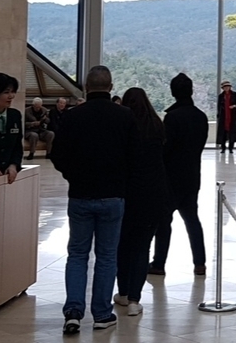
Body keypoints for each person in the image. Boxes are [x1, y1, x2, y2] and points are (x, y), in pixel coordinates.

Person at [48, 66, 137, 334]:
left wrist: (73, 176)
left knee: (77, 254)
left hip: (80, 195)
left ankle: (73, 312)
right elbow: (135, 156)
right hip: (113, 195)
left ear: (86, 88)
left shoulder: (74, 117)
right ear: (111, 87)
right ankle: (101, 313)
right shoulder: (125, 116)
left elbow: (58, 154)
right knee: (107, 256)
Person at [113, 88, 170, 318]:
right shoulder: (157, 126)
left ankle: (124, 292)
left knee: (122, 246)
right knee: (141, 247)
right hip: (153, 194)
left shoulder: (123, 126)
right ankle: (136, 299)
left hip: (126, 194)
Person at [151, 73, 208, 277]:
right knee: (192, 220)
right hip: (192, 175)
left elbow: (166, 149)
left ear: (173, 92)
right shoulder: (200, 116)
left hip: (171, 177)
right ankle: (199, 263)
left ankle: (159, 263)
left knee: (164, 221)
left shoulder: (172, 117)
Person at [215, 81, 236, 152]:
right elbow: (219, 106)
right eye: (225, 87)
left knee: (232, 132)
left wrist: (234, 106)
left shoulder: (234, 94)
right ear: (223, 88)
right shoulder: (221, 96)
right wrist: (219, 114)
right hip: (223, 116)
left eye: (228, 86)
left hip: (232, 116)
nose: (227, 88)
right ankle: (223, 148)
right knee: (223, 132)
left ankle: (231, 148)